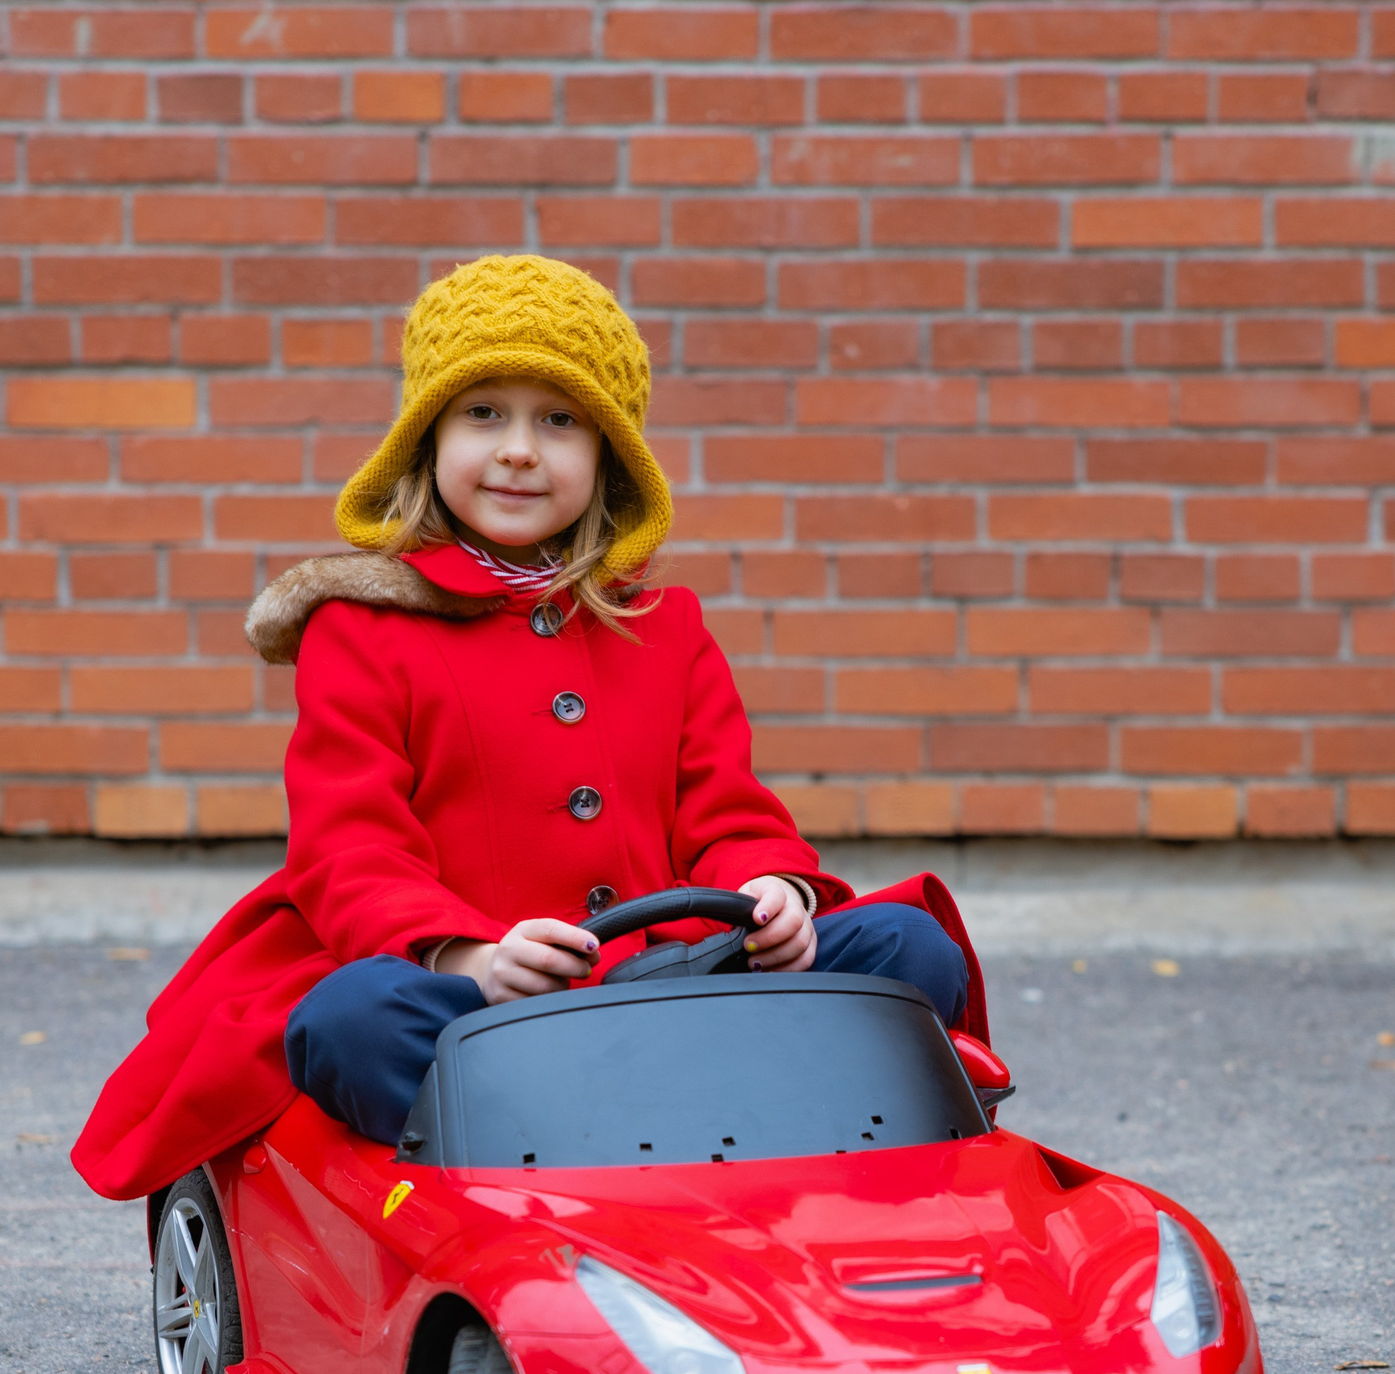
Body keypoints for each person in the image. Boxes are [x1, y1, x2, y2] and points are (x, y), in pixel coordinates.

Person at [71, 254, 983, 1197]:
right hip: (482, 999)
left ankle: (738, 1129)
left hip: (667, 978)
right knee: (350, 1019)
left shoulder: (661, 628)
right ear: (428, 437)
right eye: (483, 413)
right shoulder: (363, 628)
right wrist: (469, 954)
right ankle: (523, 1147)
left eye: (558, 420)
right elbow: (352, 849)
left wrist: (768, 889)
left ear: (609, 456)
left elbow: (723, 805)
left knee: (907, 951)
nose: (518, 449)